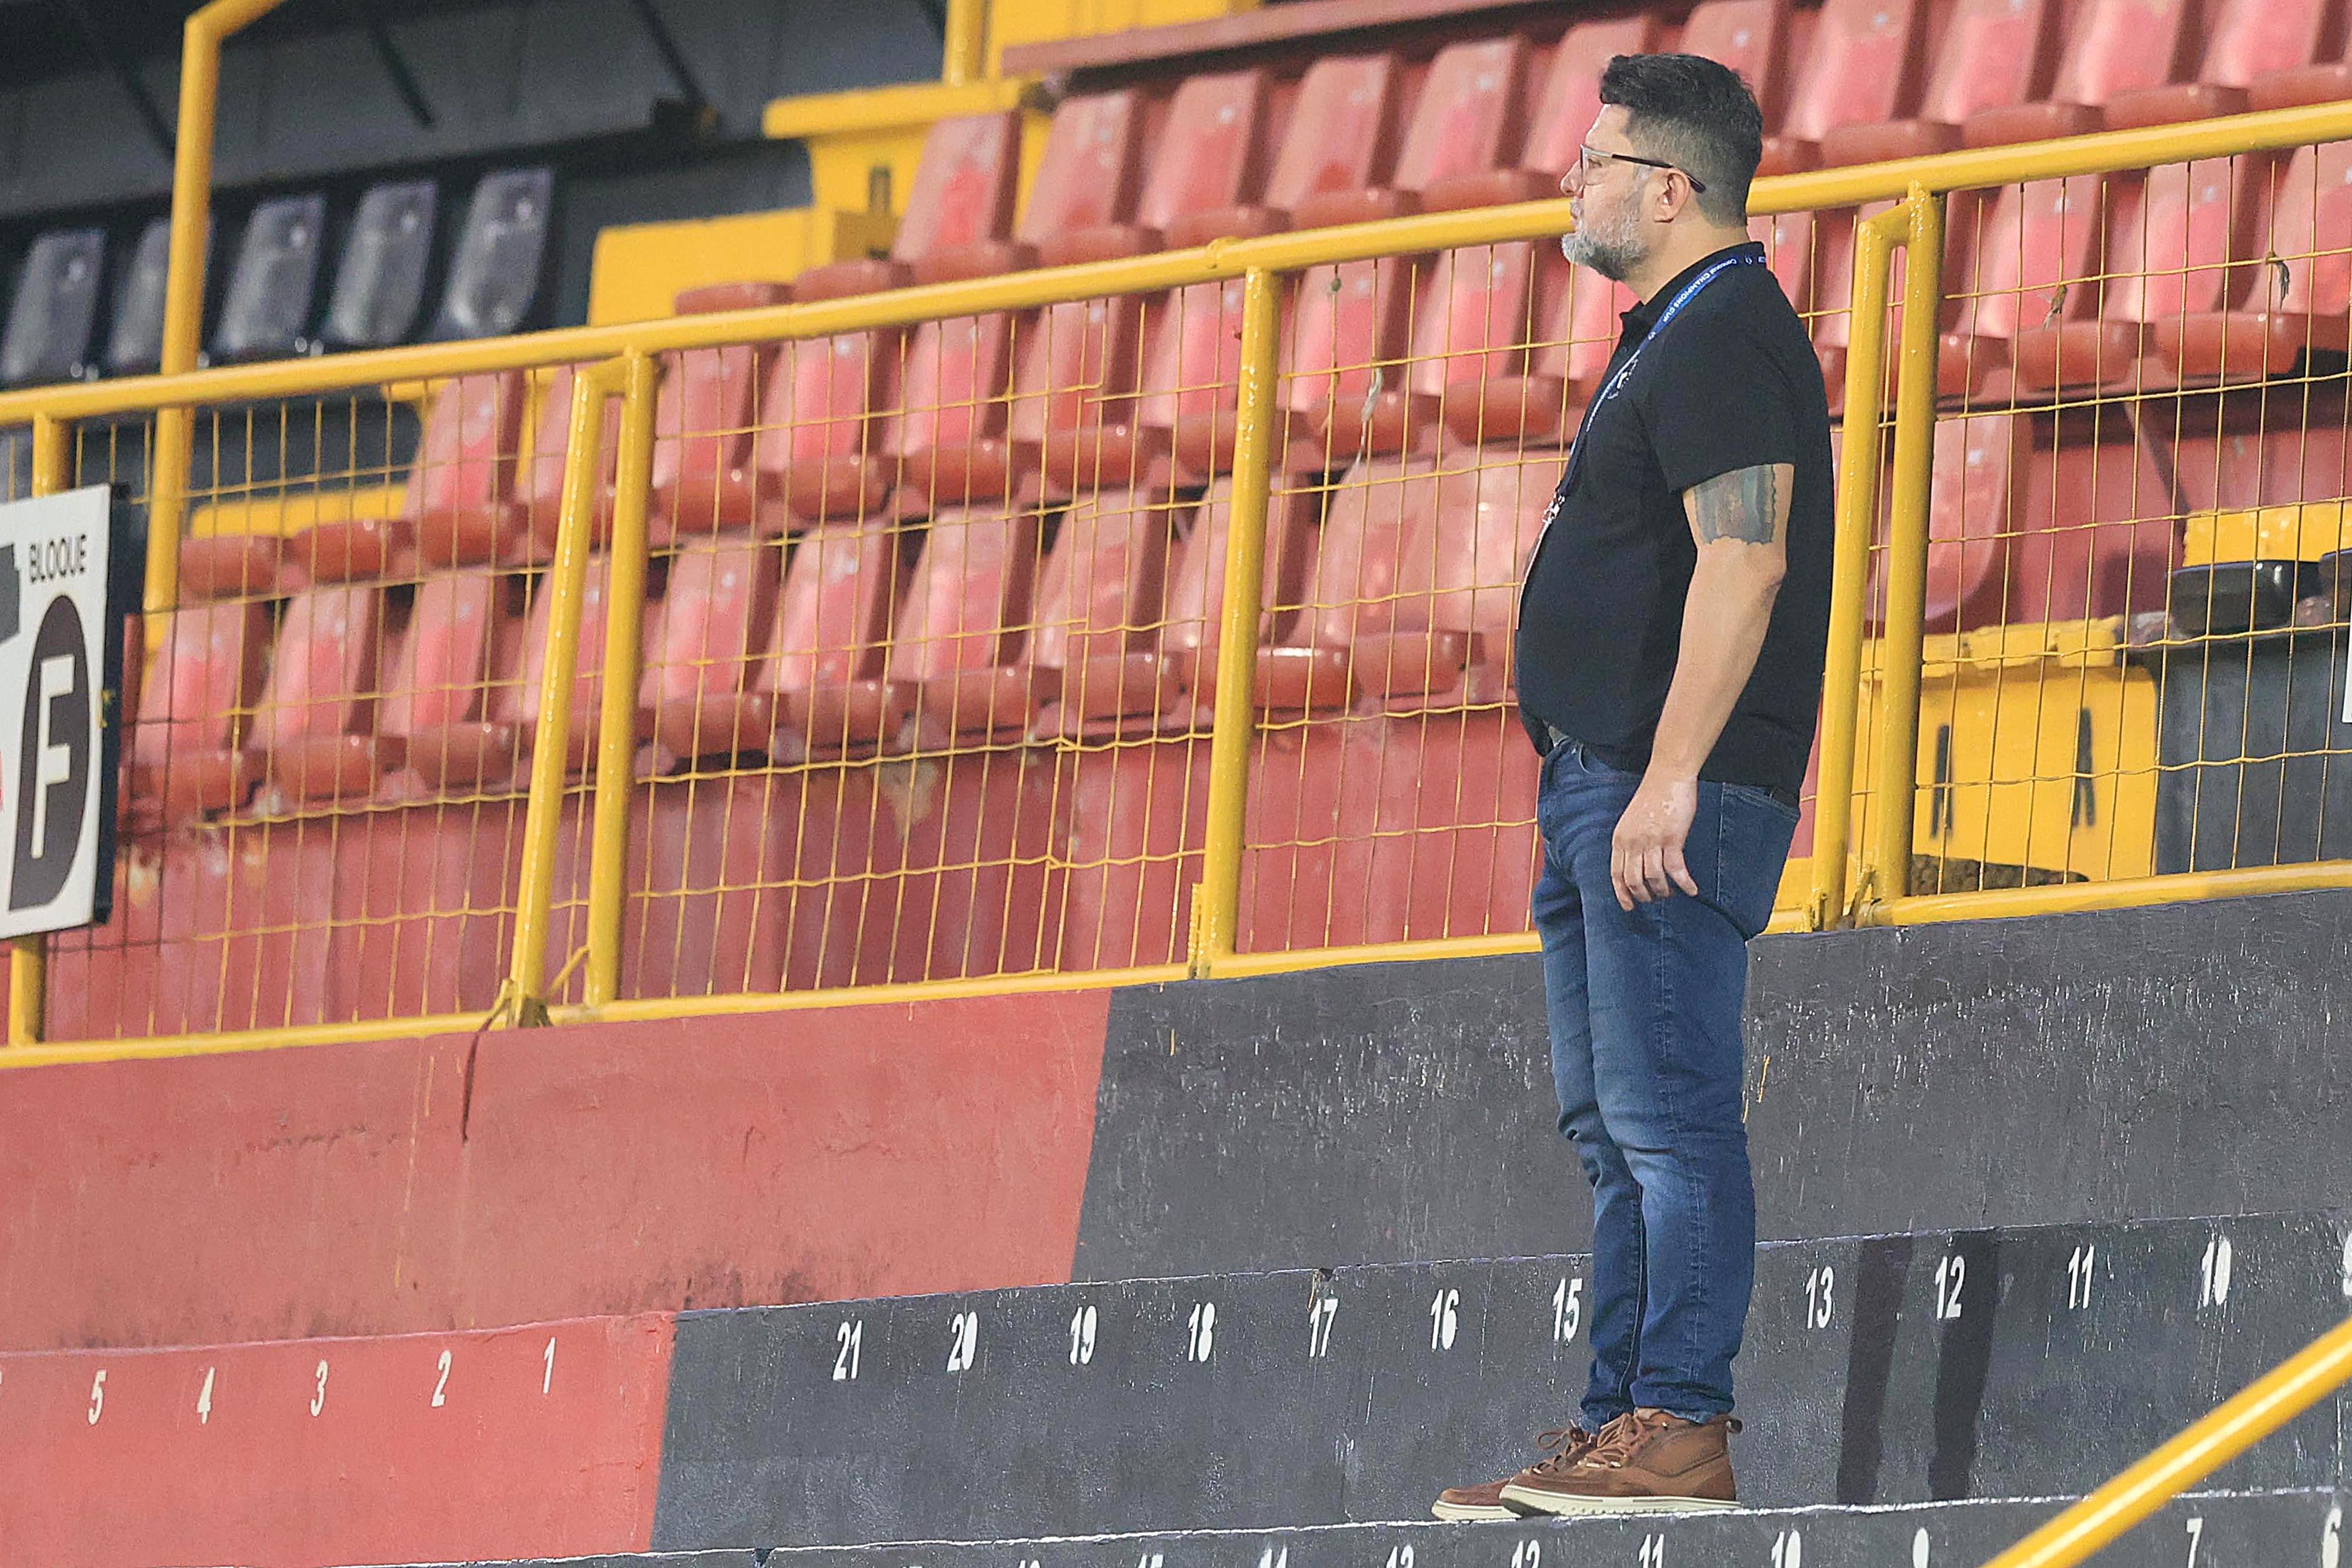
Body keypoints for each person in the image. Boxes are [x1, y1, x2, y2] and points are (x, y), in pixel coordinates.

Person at [1433, 52, 1833, 1519]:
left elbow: (1747, 558)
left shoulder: (1724, 331)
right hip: (1601, 783)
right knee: (1613, 1129)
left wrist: (1666, 780)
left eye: (1594, 161)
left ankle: (1678, 1423)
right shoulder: (1675, 326)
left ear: (1669, 188)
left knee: (1666, 1119)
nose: (1572, 182)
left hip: (1666, 792)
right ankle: (1614, 1422)